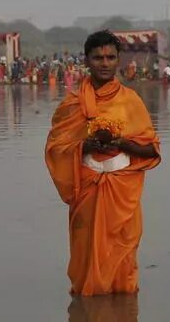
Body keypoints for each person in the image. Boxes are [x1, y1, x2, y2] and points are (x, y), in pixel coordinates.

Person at [44, 31, 162, 296]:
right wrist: (84, 146)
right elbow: (55, 148)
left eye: (110, 57)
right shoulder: (72, 104)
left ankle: (119, 320)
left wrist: (122, 143)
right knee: (87, 255)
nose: (104, 63)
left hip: (123, 191)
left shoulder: (130, 100)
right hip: (87, 189)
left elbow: (151, 149)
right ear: (87, 60)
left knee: (123, 256)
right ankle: (88, 315)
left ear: (118, 60)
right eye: (98, 58)